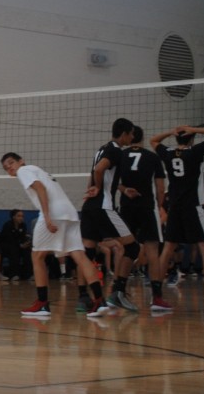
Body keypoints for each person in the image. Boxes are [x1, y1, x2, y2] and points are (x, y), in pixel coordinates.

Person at [0, 153, 108, 317]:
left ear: (21, 161)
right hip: (70, 212)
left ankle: (42, 303)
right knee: (79, 255)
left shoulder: (24, 170)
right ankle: (100, 301)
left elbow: (40, 188)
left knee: (37, 257)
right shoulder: (39, 170)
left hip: (54, 213)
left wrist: (47, 216)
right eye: (6, 167)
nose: (10, 168)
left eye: (11, 163)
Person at [151, 125, 204, 309]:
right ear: (191, 139)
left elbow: (153, 140)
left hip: (174, 208)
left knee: (167, 249)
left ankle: (156, 297)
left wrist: (169, 131)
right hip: (192, 207)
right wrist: (195, 128)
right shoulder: (195, 152)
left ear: (176, 139)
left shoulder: (168, 153)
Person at [82, 117, 140, 312]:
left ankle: (85, 298)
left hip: (89, 207)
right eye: (131, 133)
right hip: (104, 206)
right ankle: (118, 292)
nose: (132, 137)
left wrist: (93, 189)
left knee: (88, 253)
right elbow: (100, 170)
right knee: (132, 248)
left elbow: (97, 172)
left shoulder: (102, 148)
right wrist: (98, 188)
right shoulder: (116, 150)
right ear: (124, 134)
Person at [115, 125, 171, 311]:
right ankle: (156, 298)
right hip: (147, 207)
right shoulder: (153, 157)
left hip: (126, 207)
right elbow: (161, 188)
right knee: (152, 250)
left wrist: (124, 190)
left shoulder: (120, 156)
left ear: (130, 136)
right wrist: (160, 205)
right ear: (142, 137)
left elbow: (115, 183)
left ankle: (118, 291)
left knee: (124, 249)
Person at [0, 209, 32, 280]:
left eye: (22, 216)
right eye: (18, 216)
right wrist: (20, 245)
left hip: (17, 245)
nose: (21, 218)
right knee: (13, 250)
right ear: (13, 217)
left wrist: (25, 243)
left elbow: (22, 237)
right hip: (4, 245)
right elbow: (8, 239)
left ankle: (28, 275)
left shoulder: (23, 225)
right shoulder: (8, 225)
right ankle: (13, 274)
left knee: (27, 250)